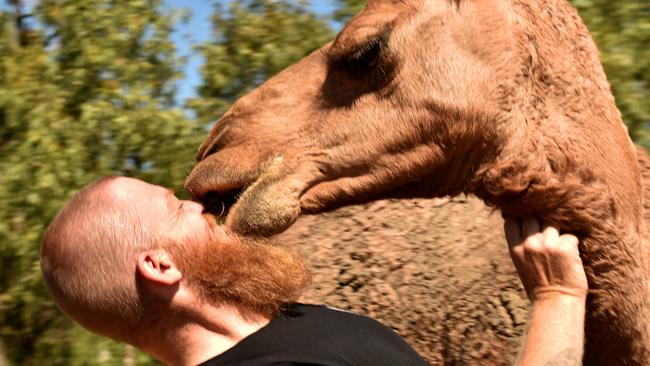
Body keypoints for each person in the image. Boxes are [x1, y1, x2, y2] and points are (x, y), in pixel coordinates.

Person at [40, 176, 588, 366]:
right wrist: (558, 297)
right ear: (159, 266)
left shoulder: (285, 325)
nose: (199, 205)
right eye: (173, 205)